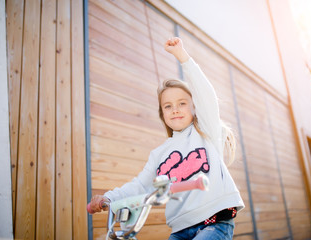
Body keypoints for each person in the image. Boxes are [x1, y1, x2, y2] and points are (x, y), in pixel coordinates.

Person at [89, 37, 244, 240]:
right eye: (168, 106)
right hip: (180, 230)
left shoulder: (205, 131)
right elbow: (140, 185)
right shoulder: (159, 154)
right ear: (162, 114)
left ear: (194, 107)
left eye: (182, 103)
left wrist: (182, 57)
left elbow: (206, 96)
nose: (175, 110)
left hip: (214, 224)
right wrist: (109, 197)